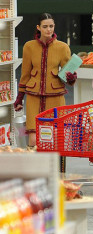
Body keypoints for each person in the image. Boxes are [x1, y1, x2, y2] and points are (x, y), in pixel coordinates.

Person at [14, 13, 77, 150]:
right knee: (33, 136)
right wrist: (19, 98)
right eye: (45, 26)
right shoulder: (29, 47)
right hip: (33, 96)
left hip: (56, 96)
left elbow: (68, 73)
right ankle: (33, 170)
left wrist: (71, 78)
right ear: (38, 27)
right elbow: (25, 74)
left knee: (54, 135)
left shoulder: (63, 47)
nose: (49, 29)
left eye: (51, 26)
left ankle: (53, 169)